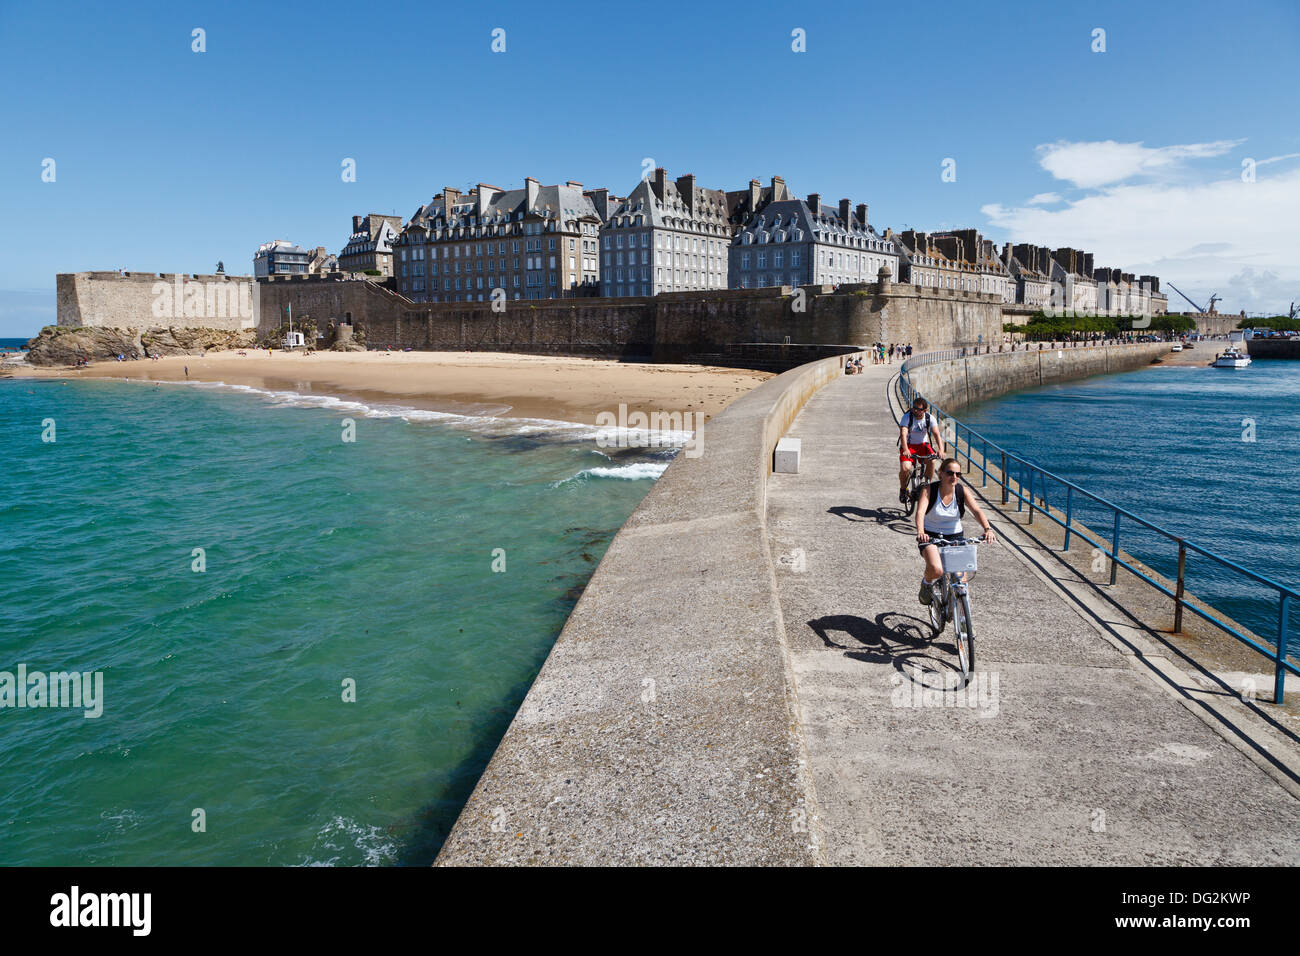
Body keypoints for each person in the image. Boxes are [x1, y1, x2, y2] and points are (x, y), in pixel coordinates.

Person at [915, 458, 996, 604]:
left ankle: (964, 618)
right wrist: (921, 532)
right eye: (950, 473)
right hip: (931, 536)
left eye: (958, 474)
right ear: (940, 473)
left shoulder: (962, 491)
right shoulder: (929, 490)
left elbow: (976, 510)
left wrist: (987, 529)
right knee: (936, 569)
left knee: (961, 581)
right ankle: (926, 583)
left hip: (955, 536)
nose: (954, 477)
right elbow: (920, 512)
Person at [898, 397, 944, 504]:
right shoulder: (907, 417)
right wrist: (905, 449)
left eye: (918, 409)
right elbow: (903, 434)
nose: (915, 411)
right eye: (914, 408)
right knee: (905, 468)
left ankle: (927, 485)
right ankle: (903, 489)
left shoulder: (929, 418)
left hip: (923, 445)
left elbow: (936, 434)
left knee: (932, 460)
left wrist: (940, 449)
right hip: (909, 446)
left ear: (924, 410)